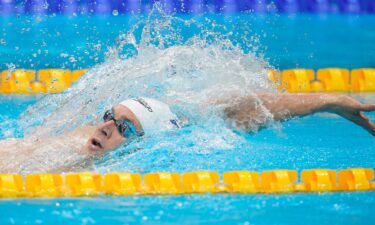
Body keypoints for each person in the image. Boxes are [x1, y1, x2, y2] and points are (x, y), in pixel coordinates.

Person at [0, 92, 374, 174]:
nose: (106, 127)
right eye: (109, 117)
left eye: (125, 127)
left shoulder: (141, 164)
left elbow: (236, 115)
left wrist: (328, 101)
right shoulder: (78, 140)